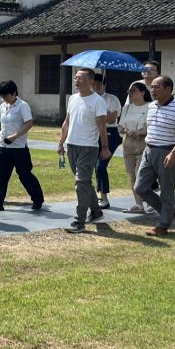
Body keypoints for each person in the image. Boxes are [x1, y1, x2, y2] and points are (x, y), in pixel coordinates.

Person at [135, 75, 175, 236]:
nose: (152, 90)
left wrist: (174, 153)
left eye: (156, 87)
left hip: (167, 151)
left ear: (168, 89)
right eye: (151, 87)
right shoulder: (151, 106)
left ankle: (163, 226)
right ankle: (168, 211)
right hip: (149, 150)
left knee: (166, 191)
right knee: (140, 188)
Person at [58, 67, 110, 233]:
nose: (76, 80)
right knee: (85, 183)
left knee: (80, 183)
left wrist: (105, 147)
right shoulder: (73, 98)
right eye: (76, 77)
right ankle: (96, 211)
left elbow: (102, 126)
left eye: (80, 78)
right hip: (72, 146)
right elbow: (67, 122)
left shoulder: (98, 101)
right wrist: (61, 142)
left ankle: (79, 221)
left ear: (91, 81)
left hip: (89, 147)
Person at [0, 81, 45, 211]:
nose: (4, 99)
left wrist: (14, 136)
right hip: (3, 147)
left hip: (19, 148)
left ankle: (37, 199)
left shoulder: (22, 106)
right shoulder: (2, 106)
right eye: (2, 96)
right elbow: (0, 125)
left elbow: (29, 123)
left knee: (25, 175)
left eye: (6, 96)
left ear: (14, 93)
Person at [118, 80, 152, 213]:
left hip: (143, 143)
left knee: (140, 174)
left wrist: (141, 132)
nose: (130, 93)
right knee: (132, 174)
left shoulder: (150, 107)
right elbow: (120, 125)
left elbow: (151, 126)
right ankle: (138, 204)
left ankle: (150, 202)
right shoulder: (127, 108)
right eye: (129, 91)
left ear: (142, 92)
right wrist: (124, 130)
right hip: (128, 143)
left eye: (133, 91)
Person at [93, 72, 123, 209]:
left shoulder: (112, 99)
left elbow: (111, 119)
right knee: (94, 167)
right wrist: (102, 117)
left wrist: (96, 118)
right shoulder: (88, 99)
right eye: (93, 84)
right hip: (93, 134)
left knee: (100, 166)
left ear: (104, 85)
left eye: (99, 84)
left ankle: (104, 198)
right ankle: (96, 196)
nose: (96, 87)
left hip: (110, 133)